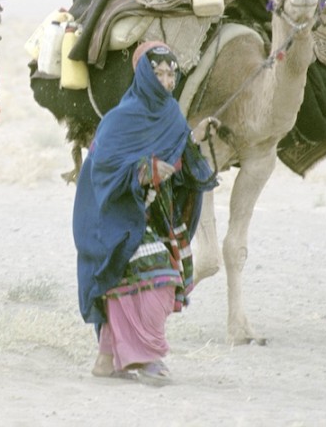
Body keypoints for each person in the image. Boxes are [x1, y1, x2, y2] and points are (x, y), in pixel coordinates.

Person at [72, 41, 220, 386]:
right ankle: (143, 357)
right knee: (158, 278)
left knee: (142, 277)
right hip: (109, 215)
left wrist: (194, 142)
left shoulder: (171, 116)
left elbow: (181, 164)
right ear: (144, 77)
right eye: (159, 74)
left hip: (151, 216)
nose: (167, 81)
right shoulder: (119, 120)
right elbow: (104, 169)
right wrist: (144, 170)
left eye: (172, 74)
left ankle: (109, 359)